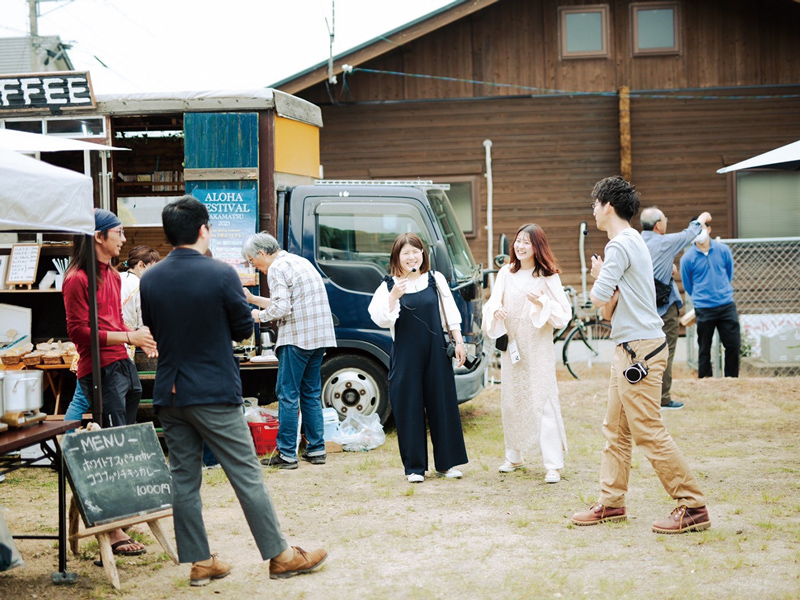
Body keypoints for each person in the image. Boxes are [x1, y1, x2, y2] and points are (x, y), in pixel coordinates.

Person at [140, 196, 327, 585]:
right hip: (212, 389)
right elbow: (243, 328)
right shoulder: (220, 274)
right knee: (246, 475)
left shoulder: (151, 278)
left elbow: (155, 329)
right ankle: (281, 555)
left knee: (184, 479)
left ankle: (201, 561)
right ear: (203, 230)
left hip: (169, 391)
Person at [571, 176, 710, 534]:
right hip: (631, 347)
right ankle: (611, 502)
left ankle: (692, 505)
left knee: (648, 431)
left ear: (607, 206)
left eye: (594, 204)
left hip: (640, 351)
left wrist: (599, 274)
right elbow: (611, 309)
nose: (593, 210)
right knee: (615, 431)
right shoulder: (632, 242)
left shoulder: (619, 246)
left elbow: (598, 299)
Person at [62, 208, 157, 556]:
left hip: (123, 366)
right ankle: (114, 532)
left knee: (126, 443)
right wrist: (128, 337)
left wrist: (137, 339)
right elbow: (78, 333)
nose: (123, 238)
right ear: (99, 237)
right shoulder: (77, 278)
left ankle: (122, 515)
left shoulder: (114, 276)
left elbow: (115, 322)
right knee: (111, 448)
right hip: (98, 369)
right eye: (118, 232)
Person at [368, 233, 469, 483]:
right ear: (397, 258)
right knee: (408, 406)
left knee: (442, 405)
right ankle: (414, 468)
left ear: (423, 254)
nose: (411, 256)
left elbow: (451, 314)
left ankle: (446, 464)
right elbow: (379, 318)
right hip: (405, 353)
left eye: (416, 251)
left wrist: (459, 342)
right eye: (406, 253)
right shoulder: (388, 285)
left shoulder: (435, 279)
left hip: (436, 350)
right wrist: (394, 297)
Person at [481, 223, 570, 484]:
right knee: (512, 399)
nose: (520, 246)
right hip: (513, 346)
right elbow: (492, 302)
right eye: (518, 241)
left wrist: (541, 302)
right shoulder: (506, 273)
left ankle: (553, 464)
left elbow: (564, 314)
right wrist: (495, 310)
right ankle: (514, 456)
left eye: (526, 242)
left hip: (538, 347)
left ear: (537, 247)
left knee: (542, 400)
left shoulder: (547, 276)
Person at [242, 233, 337, 470]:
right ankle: (316, 450)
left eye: (253, 261)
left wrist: (257, 316)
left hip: (297, 338)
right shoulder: (299, 261)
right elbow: (285, 301)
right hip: (319, 337)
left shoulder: (276, 268)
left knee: (287, 394)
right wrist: (254, 298)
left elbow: (282, 308)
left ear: (262, 253)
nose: (256, 267)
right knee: (311, 393)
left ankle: (286, 454)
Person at [640, 208, 712, 409]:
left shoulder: (635, 242)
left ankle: (644, 396)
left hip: (641, 310)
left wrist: (668, 267)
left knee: (642, 353)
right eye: (665, 219)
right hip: (664, 308)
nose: (667, 222)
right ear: (657, 225)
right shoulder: (665, 242)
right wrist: (703, 218)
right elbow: (691, 233)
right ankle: (662, 398)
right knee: (666, 352)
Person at [680, 221, 740, 378]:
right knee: (704, 347)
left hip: (726, 305)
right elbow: (688, 283)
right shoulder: (687, 258)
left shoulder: (723, 250)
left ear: (709, 229)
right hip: (704, 308)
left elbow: (729, 273)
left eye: (702, 229)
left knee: (733, 345)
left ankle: (731, 379)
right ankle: (705, 379)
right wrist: (701, 298)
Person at [119, 245, 161, 331]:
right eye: (153, 268)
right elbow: (143, 324)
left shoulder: (116, 277)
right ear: (141, 265)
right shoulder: (142, 286)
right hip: (130, 338)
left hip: (111, 334)